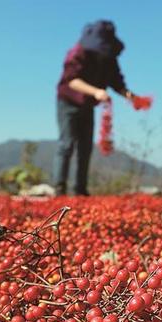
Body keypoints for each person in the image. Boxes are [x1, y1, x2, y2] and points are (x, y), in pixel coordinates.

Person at [54, 20, 140, 196]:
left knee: (85, 147)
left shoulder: (109, 58)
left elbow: (117, 82)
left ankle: (80, 190)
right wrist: (96, 92)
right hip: (68, 102)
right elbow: (72, 80)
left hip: (88, 105)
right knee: (67, 143)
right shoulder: (78, 52)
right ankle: (59, 189)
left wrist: (131, 97)